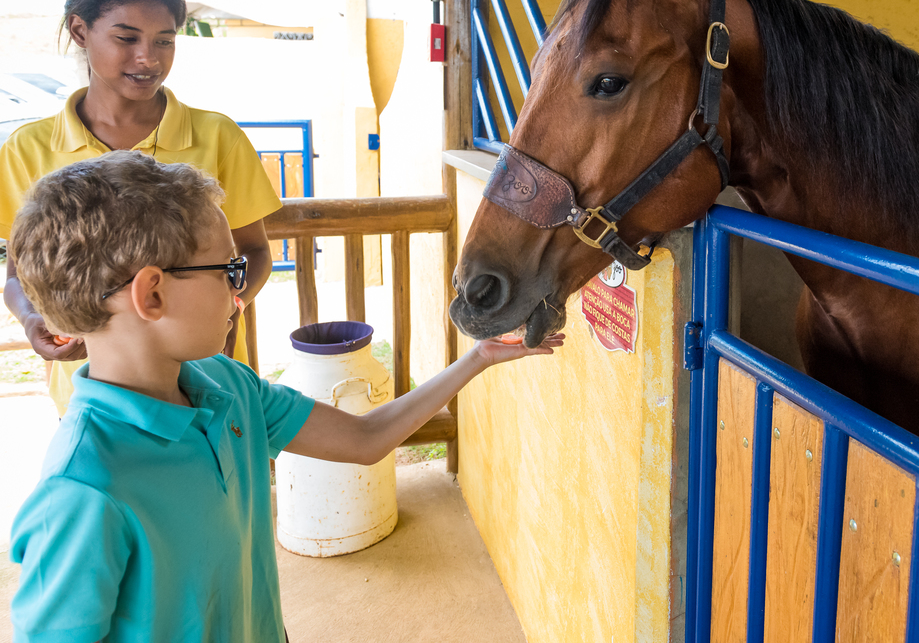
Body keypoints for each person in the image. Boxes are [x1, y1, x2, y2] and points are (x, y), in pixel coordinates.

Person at [6, 152, 562, 642]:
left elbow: (365, 438)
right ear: (151, 294)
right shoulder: (82, 492)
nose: (239, 292)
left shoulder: (228, 386)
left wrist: (478, 357)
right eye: (229, 270)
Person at [0, 0, 280, 417]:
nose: (149, 58)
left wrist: (228, 306)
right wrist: (33, 320)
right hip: (96, 393)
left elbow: (255, 251)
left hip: (211, 380)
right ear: (79, 31)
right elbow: (18, 273)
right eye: (127, 38)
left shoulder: (217, 137)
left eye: (164, 40)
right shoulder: (27, 150)